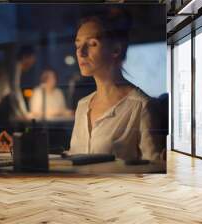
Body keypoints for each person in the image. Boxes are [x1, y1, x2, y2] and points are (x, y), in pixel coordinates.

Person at [68, 12, 164, 162]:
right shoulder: (83, 106)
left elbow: (154, 167)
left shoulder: (141, 106)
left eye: (92, 44)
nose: (80, 52)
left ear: (116, 50)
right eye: (78, 45)